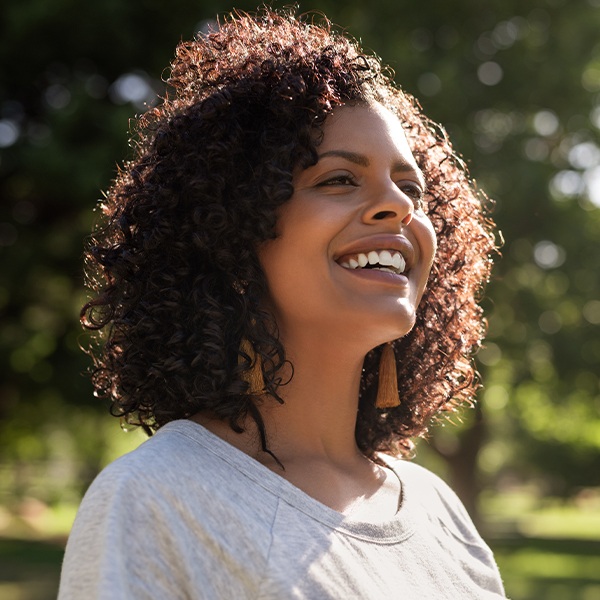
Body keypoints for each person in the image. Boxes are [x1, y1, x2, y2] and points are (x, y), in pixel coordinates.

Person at [58, 8, 505, 599]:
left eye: (412, 187)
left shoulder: (437, 509)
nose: (397, 205)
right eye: (338, 179)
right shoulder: (160, 496)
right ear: (234, 234)